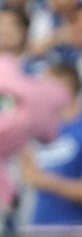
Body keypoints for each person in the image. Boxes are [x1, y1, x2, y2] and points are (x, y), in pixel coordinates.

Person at [23, 61, 82, 226]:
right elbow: (29, 175)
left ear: (65, 86)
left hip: (73, 232)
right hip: (38, 230)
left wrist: (46, 181)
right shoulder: (40, 128)